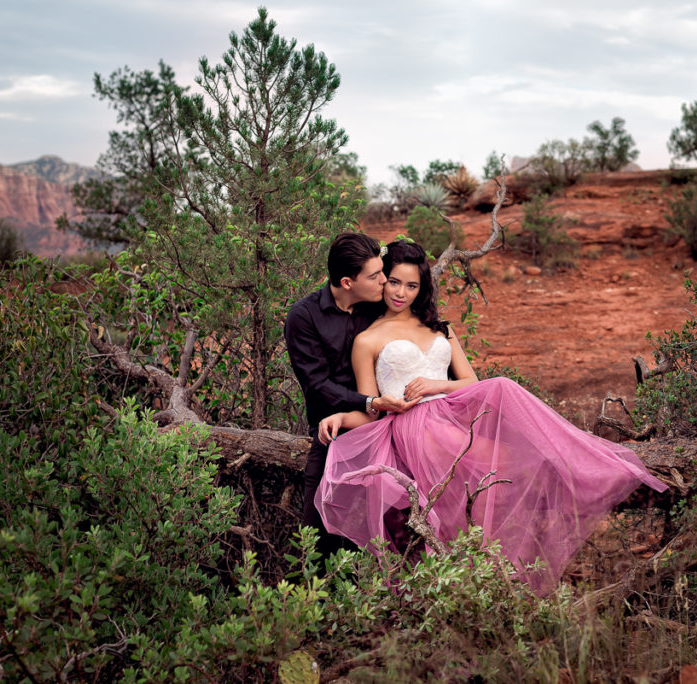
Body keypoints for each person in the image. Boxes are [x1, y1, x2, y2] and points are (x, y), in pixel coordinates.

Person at [316, 239, 668, 594]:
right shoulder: (367, 339)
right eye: (393, 281)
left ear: (422, 288)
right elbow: (372, 406)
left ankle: (493, 565)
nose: (401, 293)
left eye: (412, 285)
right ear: (382, 279)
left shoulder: (440, 328)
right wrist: (343, 418)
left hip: (449, 413)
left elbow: (471, 381)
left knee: (506, 449)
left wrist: (435, 385)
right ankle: (480, 573)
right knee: (491, 478)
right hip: (413, 427)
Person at [284, 232, 412, 551]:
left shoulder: (379, 307)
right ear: (346, 282)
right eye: (375, 276)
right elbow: (318, 385)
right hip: (334, 435)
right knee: (317, 532)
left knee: (395, 529)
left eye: (383, 271)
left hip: (390, 430)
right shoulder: (304, 317)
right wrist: (370, 402)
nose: (384, 281)